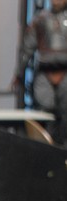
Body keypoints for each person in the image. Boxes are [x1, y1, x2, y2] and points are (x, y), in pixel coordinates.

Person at [17, 0, 67, 144]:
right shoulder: (40, 19)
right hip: (45, 72)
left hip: (65, 72)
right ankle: (45, 148)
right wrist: (19, 73)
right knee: (44, 111)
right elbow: (27, 48)